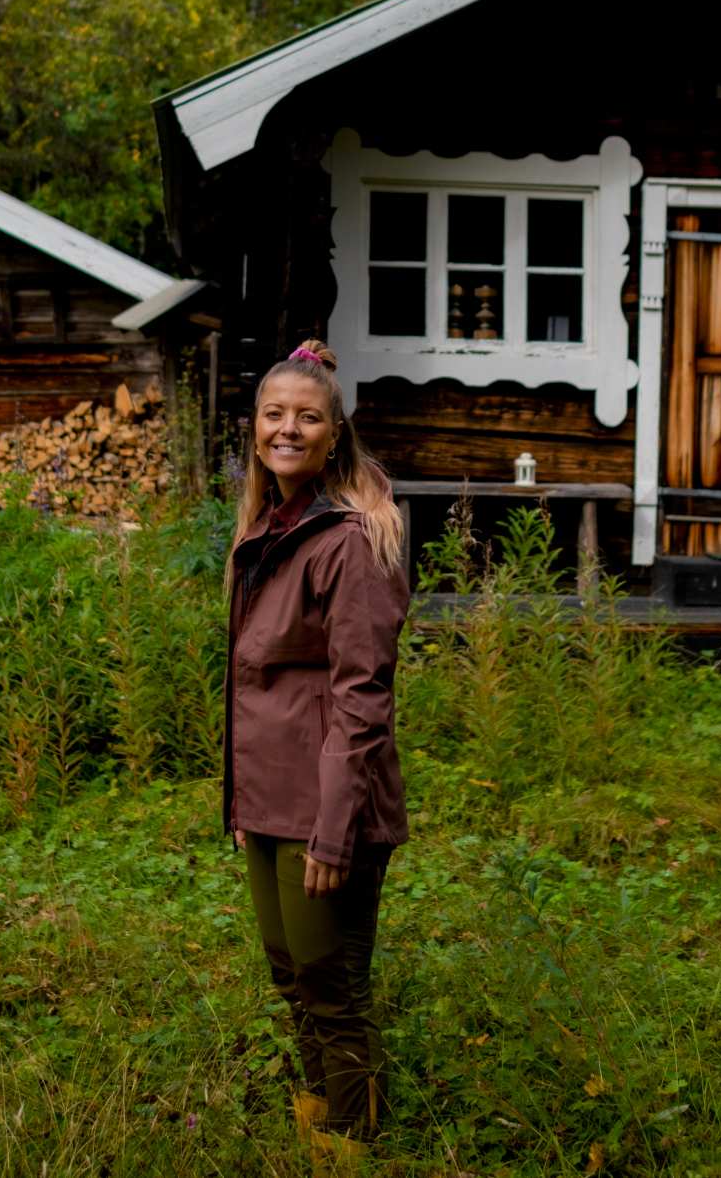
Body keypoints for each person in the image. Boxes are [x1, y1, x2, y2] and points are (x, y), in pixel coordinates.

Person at [223, 338, 409, 1173]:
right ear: (253, 427)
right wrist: (239, 808)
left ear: (335, 434)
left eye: (306, 416)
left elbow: (361, 700)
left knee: (331, 983)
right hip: (267, 799)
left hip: (326, 804)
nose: (286, 429)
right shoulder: (267, 526)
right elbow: (250, 685)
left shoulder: (349, 540)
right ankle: (319, 1117)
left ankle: (357, 1143)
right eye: (273, 414)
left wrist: (335, 832)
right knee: (287, 974)